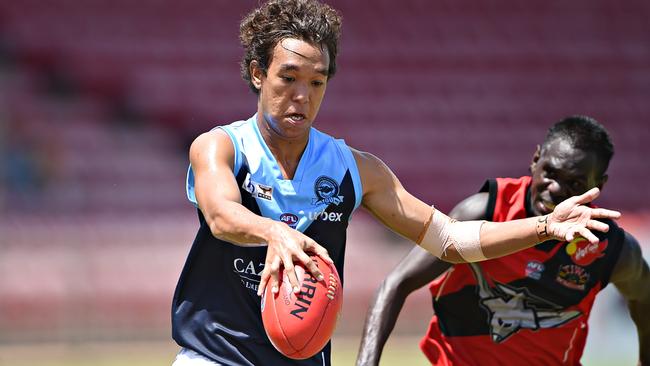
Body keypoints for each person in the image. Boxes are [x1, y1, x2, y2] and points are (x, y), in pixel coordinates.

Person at [170, 1, 620, 364]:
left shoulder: (354, 169)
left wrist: (544, 227)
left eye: (316, 82)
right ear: (256, 73)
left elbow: (448, 239)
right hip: (213, 356)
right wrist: (274, 232)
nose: (302, 96)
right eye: (288, 78)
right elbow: (220, 215)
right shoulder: (221, 147)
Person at [356, 116, 649, 366]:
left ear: (599, 186)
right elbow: (396, 284)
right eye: (550, 173)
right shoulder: (484, 212)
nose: (555, 189)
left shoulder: (611, 248)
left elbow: (644, 298)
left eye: (575, 184)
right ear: (535, 160)